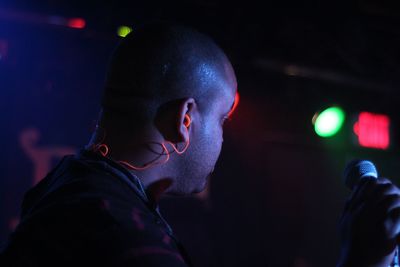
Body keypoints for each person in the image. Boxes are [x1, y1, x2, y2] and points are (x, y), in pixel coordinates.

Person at [0, 22, 400, 267]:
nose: (224, 137)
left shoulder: (71, 185)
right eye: (223, 120)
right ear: (184, 119)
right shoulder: (121, 234)